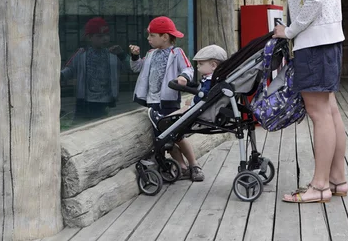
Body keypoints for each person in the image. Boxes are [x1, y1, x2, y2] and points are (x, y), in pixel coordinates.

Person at [272, 0, 347, 203]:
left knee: (319, 114)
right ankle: (337, 180)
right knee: (329, 110)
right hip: (328, 40)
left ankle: (319, 186)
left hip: (314, 43)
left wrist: (288, 31)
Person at [129, 16, 204, 181]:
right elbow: (137, 68)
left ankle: (194, 164)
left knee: (177, 135)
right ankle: (181, 166)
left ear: (165, 36)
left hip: (169, 102)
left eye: (152, 35)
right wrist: (135, 56)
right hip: (153, 102)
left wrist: (183, 77)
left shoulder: (176, 53)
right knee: (163, 138)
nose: (148, 39)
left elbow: (188, 68)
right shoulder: (149, 54)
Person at [61, 17, 127, 120]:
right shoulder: (81, 54)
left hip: (105, 101)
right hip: (85, 101)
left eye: (107, 35)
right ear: (89, 37)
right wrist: (58, 76)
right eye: (100, 36)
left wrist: (122, 55)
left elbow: (129, 68)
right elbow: (70, 70)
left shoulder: (113, 55)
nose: (105, 39)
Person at [148, 44, 227, 120]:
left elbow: (204, 94)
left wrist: (192, 101)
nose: (197, 66)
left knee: (184, 109)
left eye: (201, 63)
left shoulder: (210, 80)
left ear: (213, 65)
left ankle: (163, 120)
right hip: (205, 107)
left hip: (202, 108)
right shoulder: (215, 79)